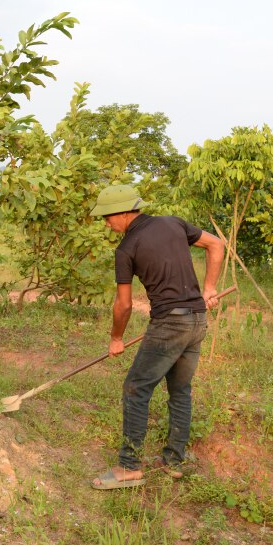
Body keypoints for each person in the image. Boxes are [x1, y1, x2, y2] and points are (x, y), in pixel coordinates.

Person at [88, 184, 223, 490]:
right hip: (197, 321)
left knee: (136, 389)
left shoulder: (126, 248)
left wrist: (116, 338)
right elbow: (216, 244)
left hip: (170, 325)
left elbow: (123, 304)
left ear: (124, 212)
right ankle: (174, 461)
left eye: (108, 217)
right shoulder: (172, 222)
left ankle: (129, 467)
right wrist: (210, 289)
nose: (106, 223)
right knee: (180, 390)